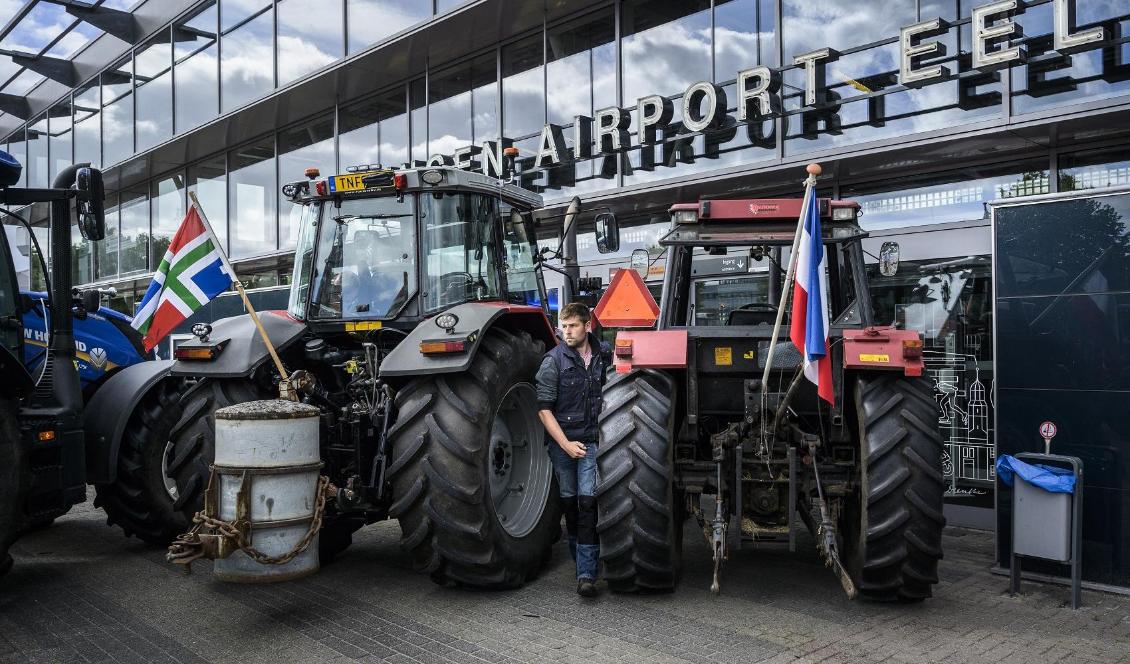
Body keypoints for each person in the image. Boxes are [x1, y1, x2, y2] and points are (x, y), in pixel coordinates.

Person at [535, 302, 609, 597]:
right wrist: (565, 444)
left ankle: (586, 573)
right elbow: (543, 410)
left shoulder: (604, 354)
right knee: (570, 505)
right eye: (563, 326)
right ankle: (581, 561)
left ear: (587, 325)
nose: (566, 332)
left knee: (588, 504)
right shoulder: (552, 362)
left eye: (572, 326)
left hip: (591, 442)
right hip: (563, 446)